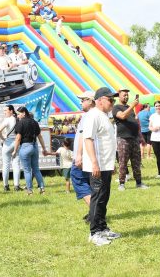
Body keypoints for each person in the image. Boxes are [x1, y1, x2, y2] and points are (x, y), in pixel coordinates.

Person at [83, 87, 121, 246]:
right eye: (110, 99)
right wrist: (94, 163)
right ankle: (94, 233)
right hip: (97, 165)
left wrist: (111, 164)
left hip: (105, 164)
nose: (113, 102)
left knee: (104, 198)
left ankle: (102, 227)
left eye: (113, 100)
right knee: (97, 198)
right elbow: (88, 139)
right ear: (99, 100)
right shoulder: (93, 115)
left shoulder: (104, 116)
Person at [113, 89, 147, 190]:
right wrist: (132, 106)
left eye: (127, 95)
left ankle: (139, 183)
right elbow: (122, 116)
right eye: (124, 95)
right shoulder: (116, 107)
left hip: (134, 138)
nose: (126, 97)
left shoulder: (129, 107)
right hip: (123, 139)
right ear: (119, 96)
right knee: (123, 162)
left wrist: (140, 136)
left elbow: (135, 122)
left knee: (136, 162)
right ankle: (121, 184)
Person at [71, 91, 95, 222]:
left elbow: (83, 136)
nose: (81, 102)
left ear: (90, 101)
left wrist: (79, 155)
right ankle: (94, 211)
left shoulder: (88, 116)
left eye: (83, 100)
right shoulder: (96, 115)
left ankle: (95, 212)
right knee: (91, 184)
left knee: (78, 180)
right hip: (89, 156)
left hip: (84, 156)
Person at [12, 107, 48, 195]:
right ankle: (42, 189)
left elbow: (18, 138)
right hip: (34, 146)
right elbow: (40, 136)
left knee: (27, 170)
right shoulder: (34, 122)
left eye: (19, 114)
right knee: (36, 169)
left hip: (25, 147)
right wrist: (44, 148)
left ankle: (30, 190)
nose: (18, 116)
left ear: (24, 113)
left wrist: (15, 150)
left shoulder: (21, 123)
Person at [149, 101, 160, 178]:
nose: (158, 107)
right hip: (154, 138)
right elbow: (149, 127)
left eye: (159, 105)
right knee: (158, 156)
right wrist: (153, 129)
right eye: (156, 106)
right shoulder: (153, 116)